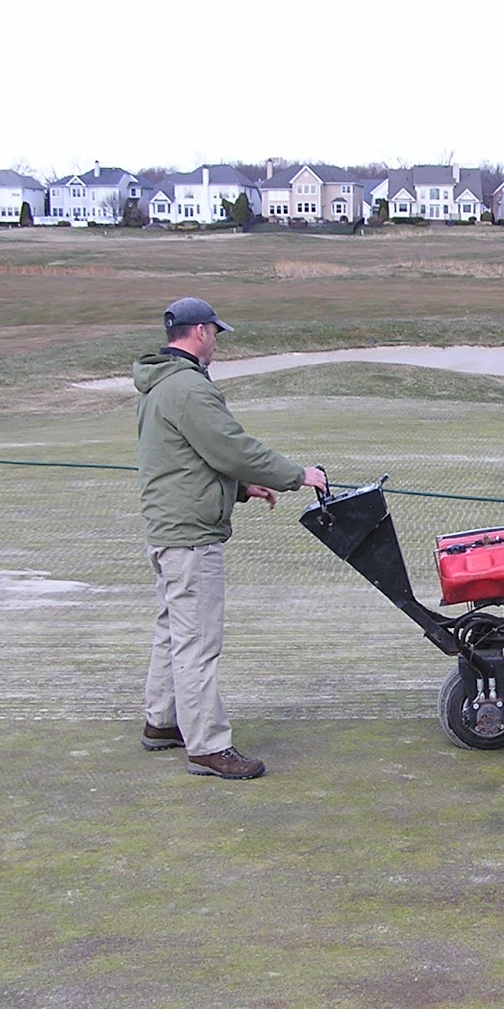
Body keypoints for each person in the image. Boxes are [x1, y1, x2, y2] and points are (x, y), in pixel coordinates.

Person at [134, 297, 328, 780]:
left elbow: (190, 459)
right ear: (199, 333)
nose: (217, 343)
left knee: (173, 631)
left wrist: (240, 489)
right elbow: (232, 448)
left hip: (168, 529)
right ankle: (207, 745)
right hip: (191, 536)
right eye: (216, 334)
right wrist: (297, 475)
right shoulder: (188, 389)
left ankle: (162, 722)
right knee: (198, 641)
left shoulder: (159, 384)